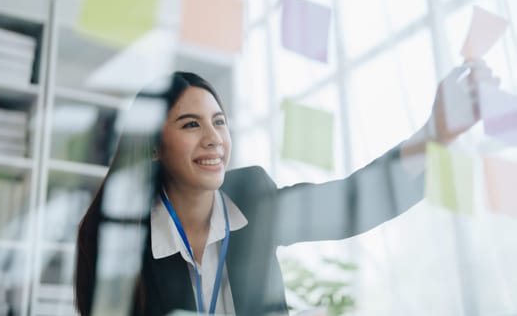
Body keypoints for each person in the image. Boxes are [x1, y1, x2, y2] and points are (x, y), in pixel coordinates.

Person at [75, 62, 498, 316]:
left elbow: (351, 203)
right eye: (191, 124)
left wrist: (433, 134)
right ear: (152, 147)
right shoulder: (121, 236)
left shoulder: (252, 199)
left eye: (219, 121)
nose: (213, 138)